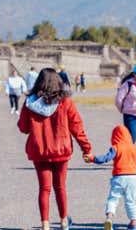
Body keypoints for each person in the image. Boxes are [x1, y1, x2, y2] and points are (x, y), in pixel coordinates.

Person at [17, 68, 93, 230]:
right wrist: (86, 149)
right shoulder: (65, 102)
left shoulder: (30, 102)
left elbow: (23, 128)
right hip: (61, 150)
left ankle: (45, 224)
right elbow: (77, 127)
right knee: (60, 187)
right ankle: (64, 221)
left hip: (40, 151)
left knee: (44, 188)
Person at [83, 125, 136, 230]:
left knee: (113, 199)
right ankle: (133, 223)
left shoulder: (116, 147)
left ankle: (109, 218)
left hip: (118, 177)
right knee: (131, 201)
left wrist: (93, 158)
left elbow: (105, 158)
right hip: (132, 178)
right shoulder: (135, 148)